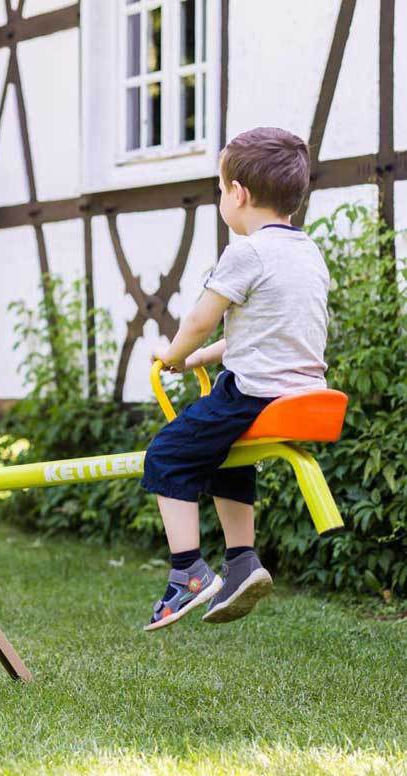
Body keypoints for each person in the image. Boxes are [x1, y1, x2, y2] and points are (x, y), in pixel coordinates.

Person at [141, 127, 330, 631]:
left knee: (167, 454)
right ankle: (242, 560)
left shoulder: (245, 251)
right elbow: (266, 333)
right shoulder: (306, 251)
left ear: (238, 193)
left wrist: (175, 354)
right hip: (300, 390)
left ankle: (188, 573)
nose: (221, 196)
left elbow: (201, 318)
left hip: (252, 391)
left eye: (220, 187)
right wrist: (201, 357)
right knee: (224, 452)